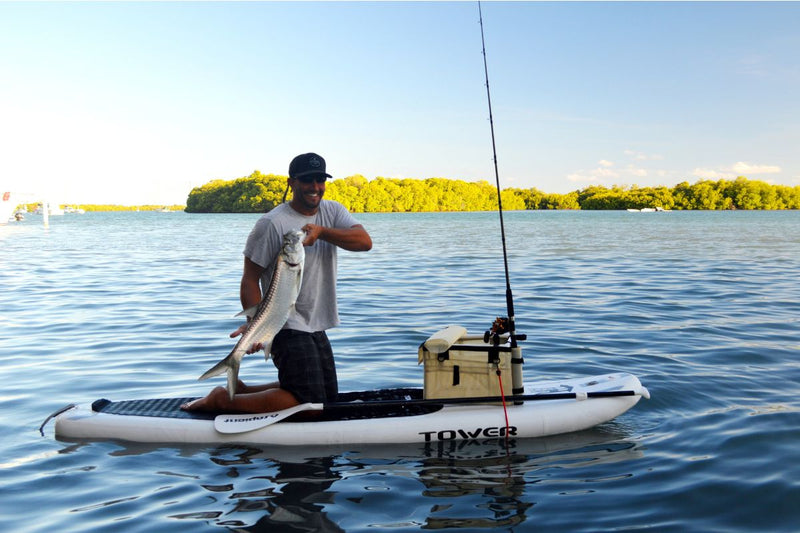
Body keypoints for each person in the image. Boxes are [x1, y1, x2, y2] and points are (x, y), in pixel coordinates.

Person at [183, 152, 372, 413]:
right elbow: (249, 278)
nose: (315, 187)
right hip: (283, 321)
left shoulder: (332, 211)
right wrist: (257, 326)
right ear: (291, 183)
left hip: (316, 321)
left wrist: (323, 233)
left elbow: (364, 242)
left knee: (327, 396)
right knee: (310, 402)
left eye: (320, 180)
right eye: (307, 180)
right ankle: (221, 400)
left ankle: (242, 389)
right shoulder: (271, 224)